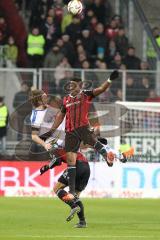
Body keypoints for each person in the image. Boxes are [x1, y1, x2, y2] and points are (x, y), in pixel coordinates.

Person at [45, 70, 129, 196]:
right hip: (71, 133)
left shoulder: (85, 94)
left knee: (89, 144)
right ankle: (115, 154)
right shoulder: (66, 100)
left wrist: (110, 79)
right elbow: (60, 116)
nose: (73, 87)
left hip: (80, 130)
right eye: (71, 85)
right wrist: (52, 130)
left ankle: (112, 154)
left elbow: (101, 89)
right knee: (85, 147)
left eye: (76, 85)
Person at [40, 148, 90, 228]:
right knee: (75, 196)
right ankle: (82, 222)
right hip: (86, 168)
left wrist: (46, 168)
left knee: (57, 188)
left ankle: (73, 206)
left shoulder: (55, 149)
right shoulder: (68, 145)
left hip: (76, 166)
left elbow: (57, 161)